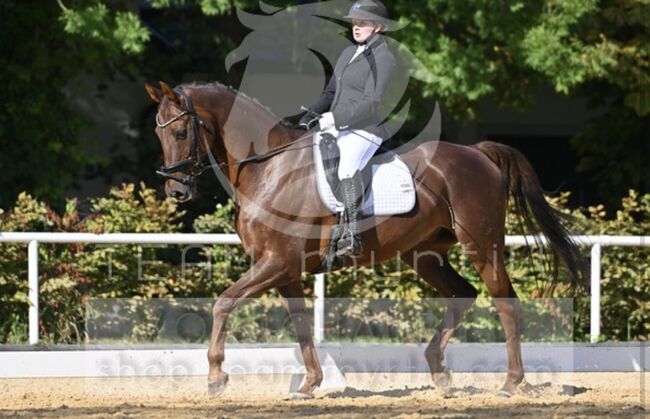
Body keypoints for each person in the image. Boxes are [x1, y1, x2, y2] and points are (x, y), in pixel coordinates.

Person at [299, 0, 397, 257]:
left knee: (346, 167)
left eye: (362, 23)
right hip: (337, 125)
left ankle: (353, 236)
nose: (356, 27)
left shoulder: (384, 58)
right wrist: (308, 115)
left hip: (365, 130)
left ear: (377, 27)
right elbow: (331, 91)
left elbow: (372, 101)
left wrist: (335, 118)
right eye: (354, 22)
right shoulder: (347, 53)